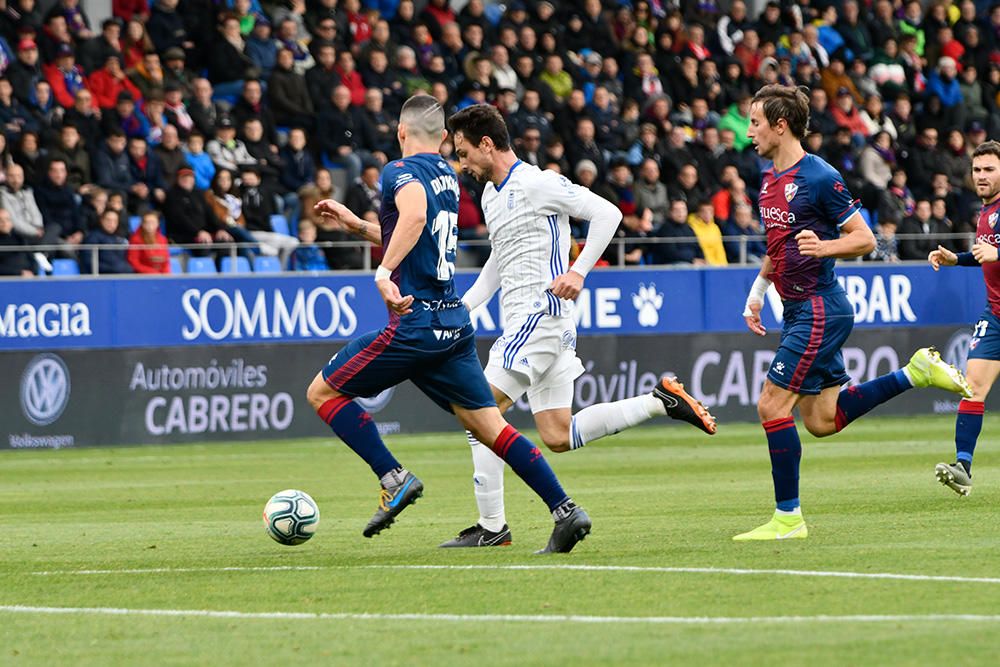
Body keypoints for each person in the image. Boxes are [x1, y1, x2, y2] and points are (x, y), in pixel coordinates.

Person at [410, 104, 715, 547]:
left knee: (477, 411)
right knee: (557, 434)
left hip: (539, 316)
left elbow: (607, 214)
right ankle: (658, 401)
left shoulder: (538, 182)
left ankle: (495, 527)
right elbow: (500, 262)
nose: (461, 163)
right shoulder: (492, 196)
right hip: (533, 325)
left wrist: (579, 271)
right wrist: (463, 306)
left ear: (487, 145)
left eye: (463, 152)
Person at [305, 95, 592, 553]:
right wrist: (359, 225)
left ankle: (393, 476)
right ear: (442, 137)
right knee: (490, 427)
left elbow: (414, 217)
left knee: (321, 392)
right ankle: (564, 509)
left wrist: (382, 273)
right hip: (453, 326)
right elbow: (414, 230)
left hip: (414, 325)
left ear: (401, 132)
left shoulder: (398, 172)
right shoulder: (447, 177)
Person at [736, 84, 973, 541]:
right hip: (797, 308)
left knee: (770, 404)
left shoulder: (820, 176)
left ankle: (788, 519)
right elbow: (777, 246)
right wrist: (758, 289)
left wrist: (825, 246)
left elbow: (865, 238)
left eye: (755, 122)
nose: (750, 132)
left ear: (780, 125)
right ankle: (915, 373)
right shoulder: (768, 180)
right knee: (822, 421)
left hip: (820, 309)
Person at [927, 141, 1000, 496]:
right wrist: (958, 258)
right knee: (973, 387)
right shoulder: (985, 210)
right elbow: (985, 253)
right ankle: (963, 467)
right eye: (977, 170)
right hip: (997, 315)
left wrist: (997, 251)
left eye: (989, 169)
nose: (982, 176)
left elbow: (994, 251)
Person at [127, 209, 171, 274]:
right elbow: (134, 262)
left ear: (158, 223)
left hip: (161, 276)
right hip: (143, 276)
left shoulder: (163, 239)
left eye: (153, 222)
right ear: (143, 224)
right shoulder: (135, 239)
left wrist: (165, 275)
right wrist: (152, 272)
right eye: (147, 222)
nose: (150, 225)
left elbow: (166, 262)